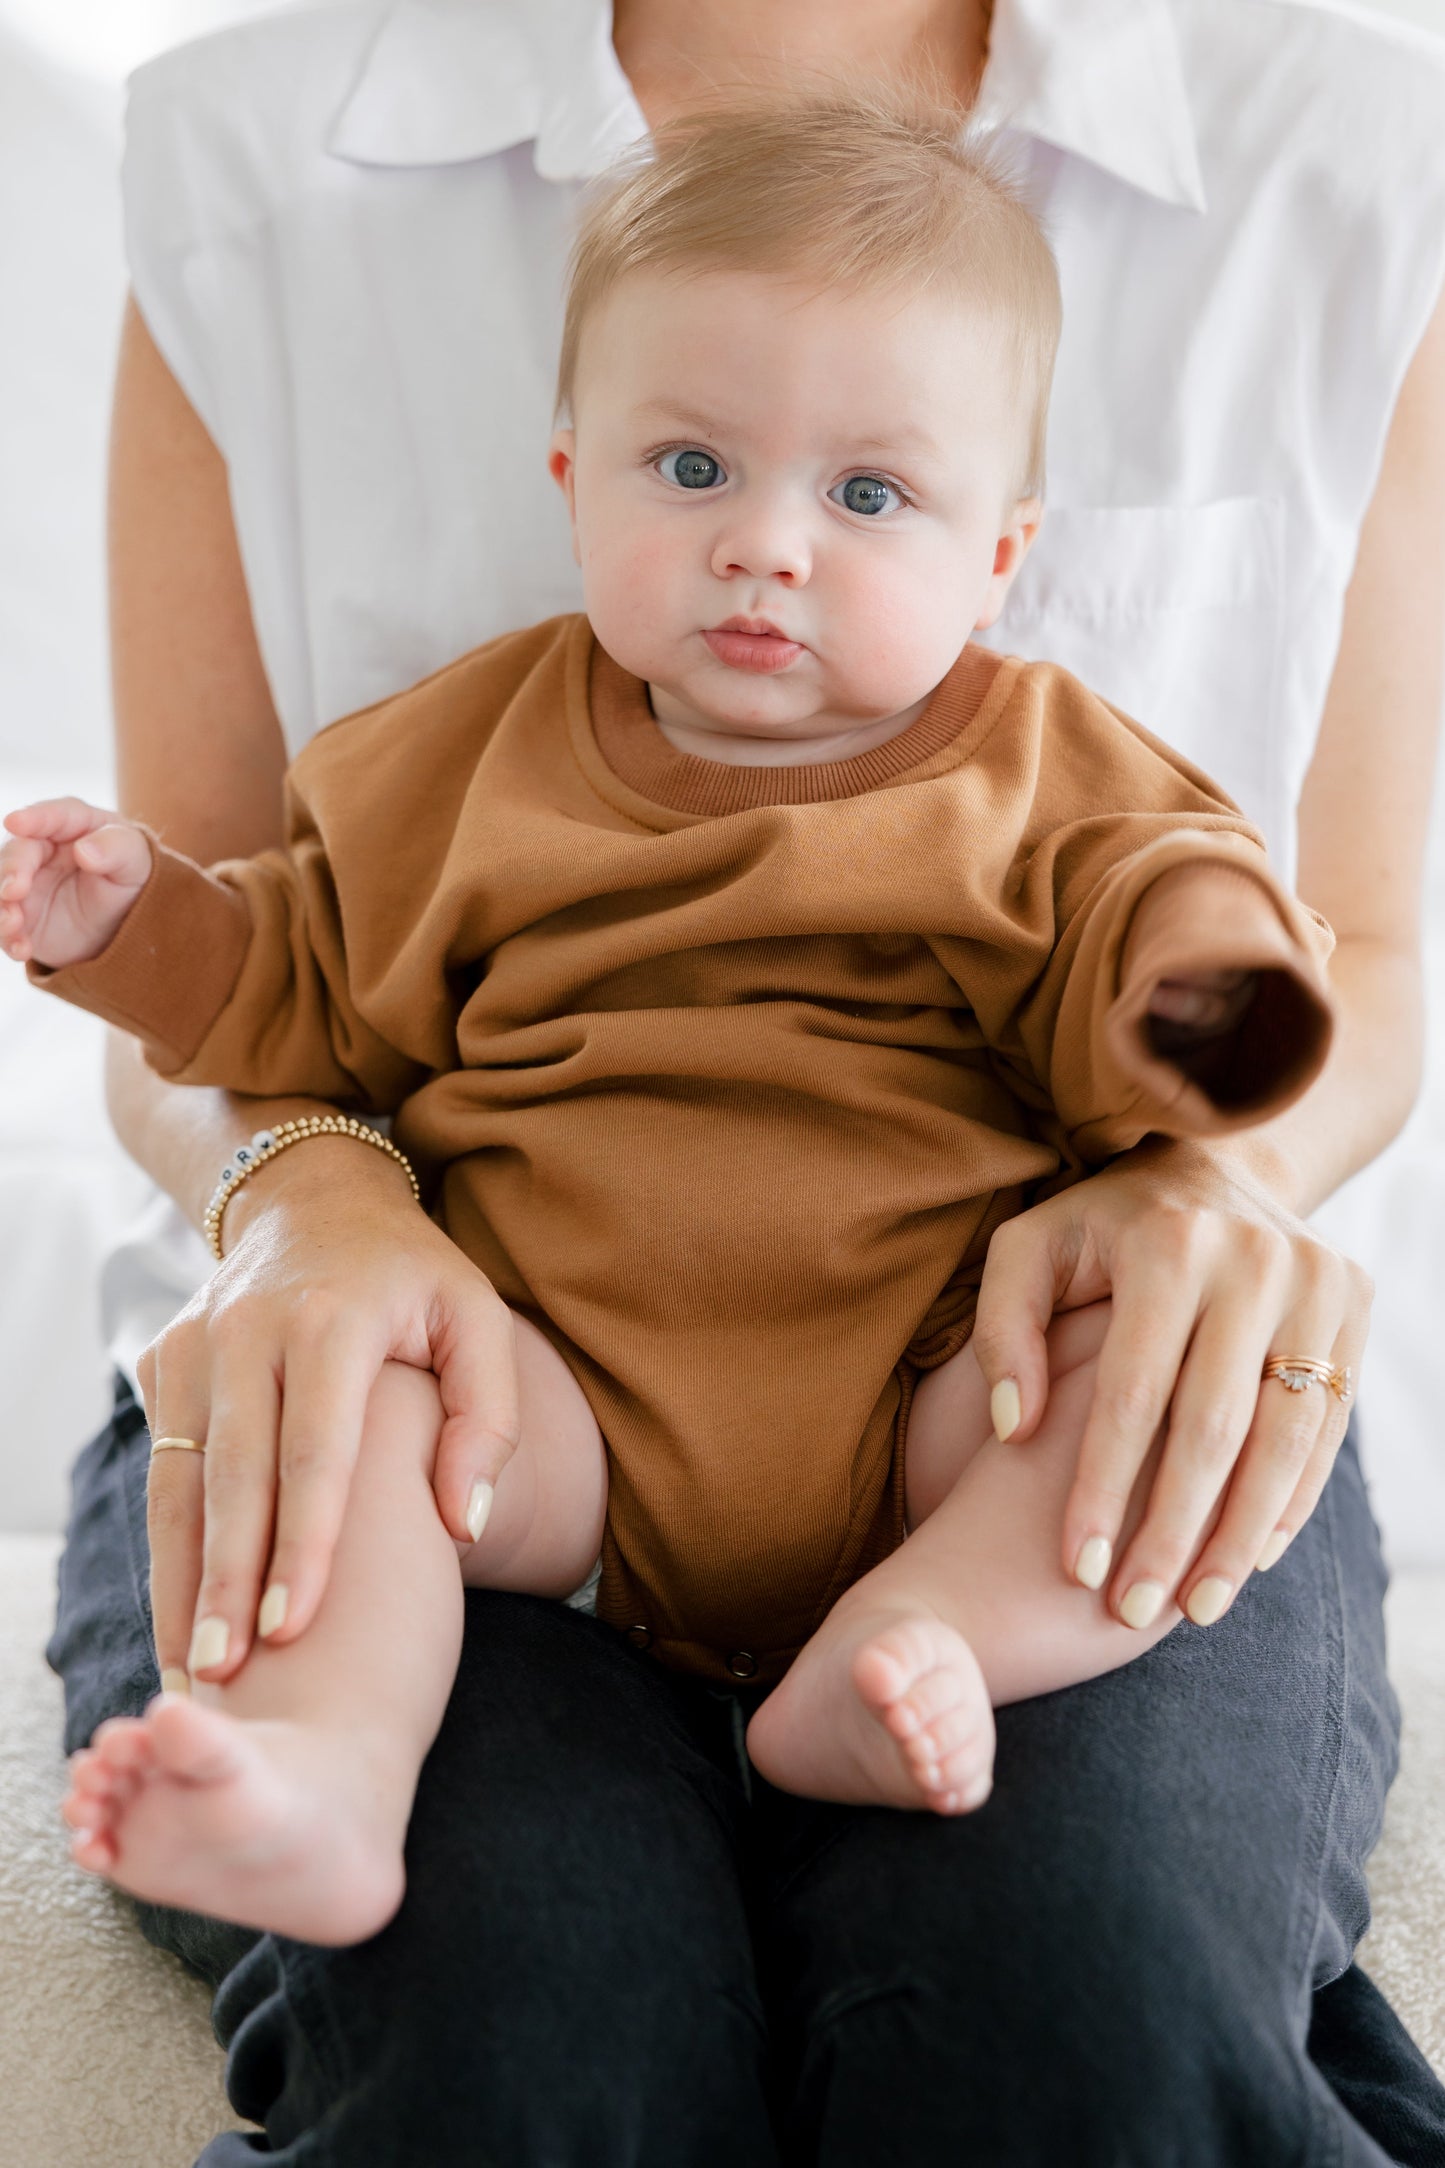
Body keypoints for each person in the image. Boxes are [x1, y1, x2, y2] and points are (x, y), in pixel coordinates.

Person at [40, 0, 1445, 2160]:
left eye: (865, 494)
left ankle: (926, 1646)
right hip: (545, 1384)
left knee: (1079, 1943)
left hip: (932, 1390)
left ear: (1000, 551)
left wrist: (1216, 1101)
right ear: (572, 476)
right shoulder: (472, 752)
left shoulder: (1039, 760)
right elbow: (277, 968)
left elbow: (1217, 931)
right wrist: (131, 921)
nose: (767, 545)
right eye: (692, 471)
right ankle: (327, 1775)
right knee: (509, 1942)